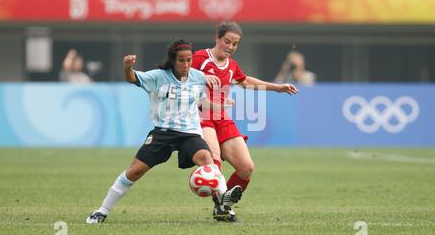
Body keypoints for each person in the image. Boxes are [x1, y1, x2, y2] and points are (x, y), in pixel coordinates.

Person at [86, 39, 241, 224]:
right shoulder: (158, 76)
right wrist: (127, 67)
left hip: (190, 133)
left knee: (208, 161)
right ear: (173, 60)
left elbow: (200, 102)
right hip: (163, 133)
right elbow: (132, 78)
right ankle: (101, 211)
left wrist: (220, 105)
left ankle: (223, 204)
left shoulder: (198, 77)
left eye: (189, 60)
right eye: (182, 60)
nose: (186, 65)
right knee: (134, 171)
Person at [192, 21, 299, 222]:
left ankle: (223, 206)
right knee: (213, 159)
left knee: (246, 167)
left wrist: (277, 87)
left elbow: (246, 82)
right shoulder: (199, 58)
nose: (230, 47)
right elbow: (181, 78)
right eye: (227, 41)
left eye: (235, 44)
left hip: (222, 118)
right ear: (217, 38)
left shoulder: (231, 66)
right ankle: (222, 207)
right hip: (201, 116)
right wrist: (201, 85)